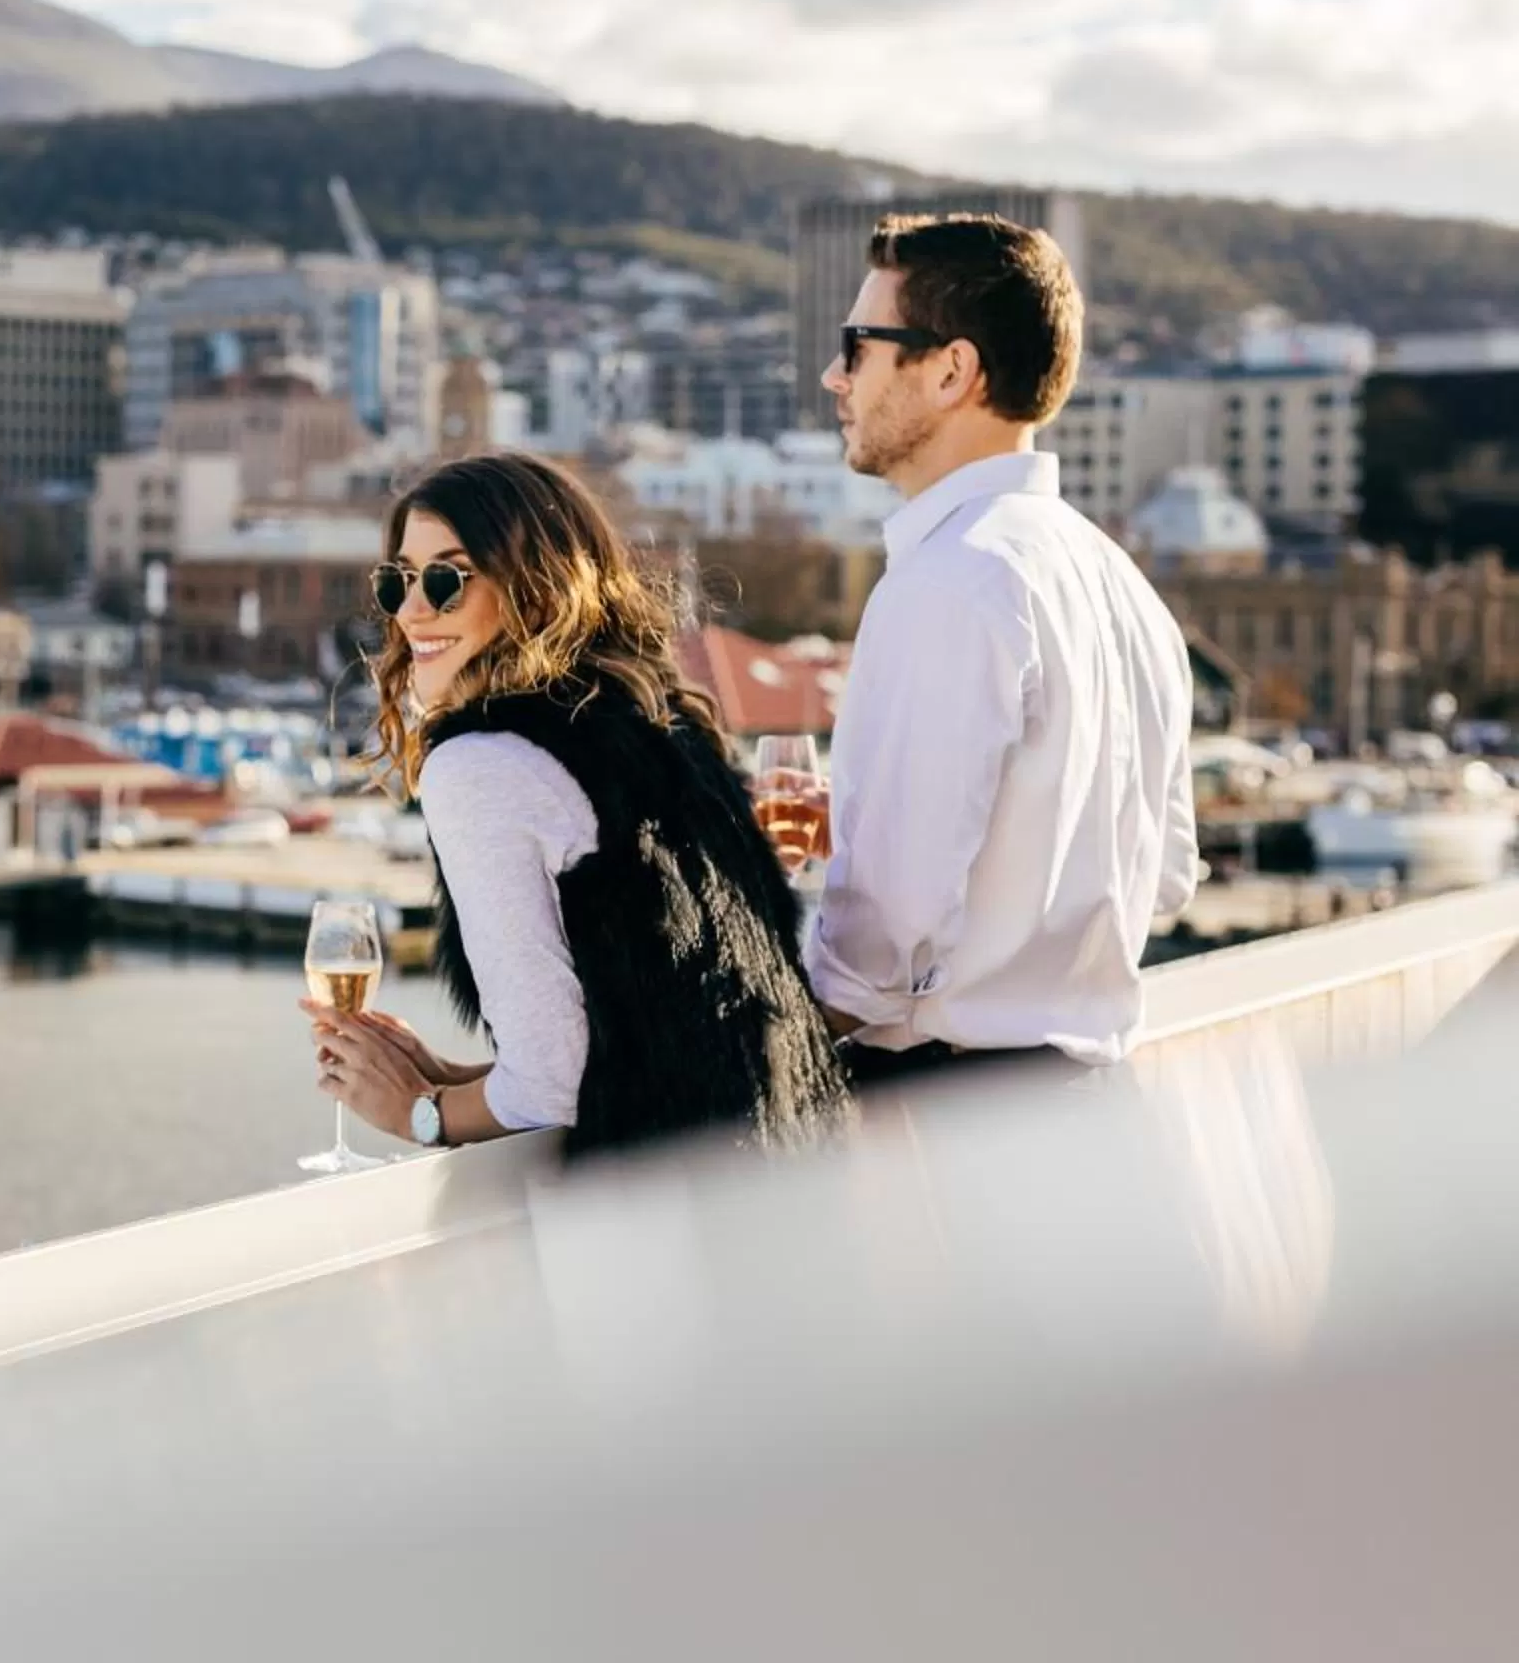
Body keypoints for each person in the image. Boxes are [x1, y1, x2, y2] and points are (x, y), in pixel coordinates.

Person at [305, 453, 848, 1157]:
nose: (410, 611)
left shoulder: (480, 765)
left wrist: (417, 1111)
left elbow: (550, 1088)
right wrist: (458, 1076)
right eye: (397, 580)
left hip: (668, 1212)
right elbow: (668, 1031)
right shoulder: (666, 724)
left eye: (445, 579)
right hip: (796, 1174)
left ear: (532, 590)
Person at [810, 213, 1197, 1085]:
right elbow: (1168, 880)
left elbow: (882, 929)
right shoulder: (1122, 584)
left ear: (952, 370)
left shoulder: (951, 582)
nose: (834, 375)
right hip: (1087, 1102)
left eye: (858, 345)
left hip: (943, 1114)